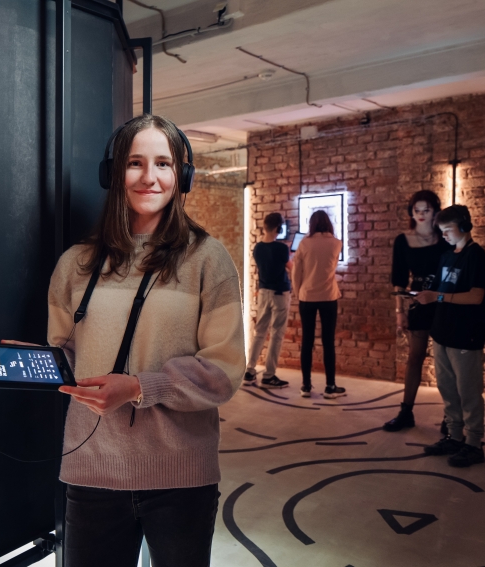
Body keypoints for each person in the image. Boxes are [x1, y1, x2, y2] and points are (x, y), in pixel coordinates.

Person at [40, 115, 245, 566]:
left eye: (163, 164)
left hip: (181, 477)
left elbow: (223, 371)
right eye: (135, 163)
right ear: (114, 173)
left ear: (181, 175)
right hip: (92, 470)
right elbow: (67, 355)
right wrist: (37, 363)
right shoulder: (76, 263)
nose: (149, 177)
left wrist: (138, 387)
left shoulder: (209, 260)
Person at [414, 205, 485, 468]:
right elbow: (439, 290)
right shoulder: (446, 256)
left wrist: (438, 297)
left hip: (466, 333)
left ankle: (474, 443)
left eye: (448, 229)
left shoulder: (477, 256)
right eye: (442, 230)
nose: (444, 235)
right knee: (447, 388)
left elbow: (476, 296)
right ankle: (454, 436)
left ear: (465, 226)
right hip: (442, 331)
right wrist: (422, 296)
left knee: (468, 391)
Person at [384, 190, 452, 432]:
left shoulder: (445, 239)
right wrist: (399, 312)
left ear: (435, 212)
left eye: (426, 210)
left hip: (444, 301)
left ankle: (451, 416)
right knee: (415, 357)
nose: (421, 214)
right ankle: (406, 411)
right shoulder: (403, 240)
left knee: (446, 360)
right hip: (418, 301)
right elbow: (399, 278)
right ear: (411, 212)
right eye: (417, 210)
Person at [291, 210, 345, 399]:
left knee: (307, 341)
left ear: (312, 224)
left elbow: (296, 272)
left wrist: (298, 292)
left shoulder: (304, 243)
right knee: (328, 342)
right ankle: (330, 386)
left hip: (307, 296)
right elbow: (332, 268)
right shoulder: (337, 243)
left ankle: (306, 386)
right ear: (328, 223)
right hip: (329, 296)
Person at [244, 212, 293, 389]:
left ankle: (250, 371)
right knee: (277, 334)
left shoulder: (257, 248)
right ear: (278, 228)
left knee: (260, 332)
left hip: (263, 293)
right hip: (279, 294)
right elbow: (291, 267)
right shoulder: (282, 248)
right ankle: (269, 375)